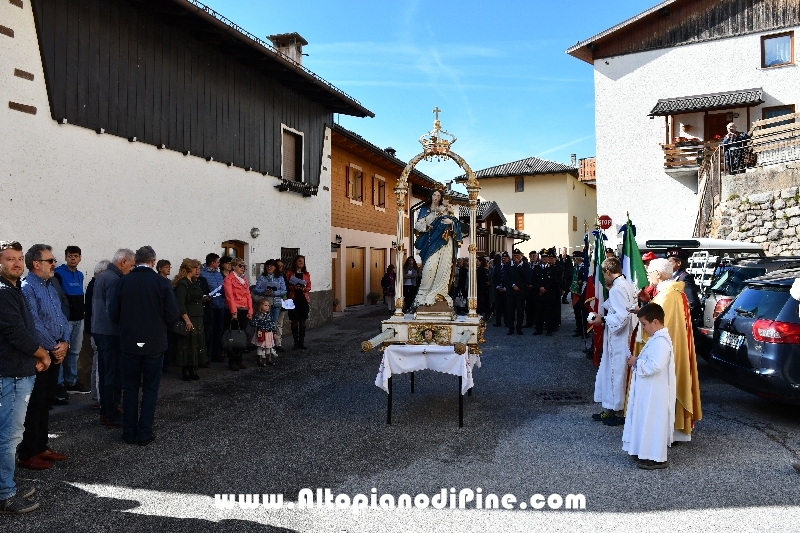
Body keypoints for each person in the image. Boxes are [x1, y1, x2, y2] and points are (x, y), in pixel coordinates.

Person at [108, 246, 179, 446]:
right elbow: (173, 314)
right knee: (150, 388)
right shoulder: (161, 283)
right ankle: (144, 432)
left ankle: (129, 432)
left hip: (130, 342)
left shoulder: (123, 282)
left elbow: (113, 312)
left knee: (129, 388)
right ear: (154, 262)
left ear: (136, 260)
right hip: (154, 342)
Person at [0, 241, 50, 513]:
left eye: (19, 258)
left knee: (10, 435)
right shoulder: (4, 293)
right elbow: (16, 333)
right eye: (9, 259)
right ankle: (4, 493)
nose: (17, 263)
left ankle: (6, 484)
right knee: (8, 436)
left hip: (18, 371)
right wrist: (42, 355)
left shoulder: (14, 288)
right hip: (10, 376)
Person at [17, 244, 70, 471]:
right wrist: (53, 347)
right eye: (51, 260)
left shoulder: (50, 285)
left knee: (47, 401)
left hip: (55, 352)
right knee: (35, 404)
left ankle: (41, 445)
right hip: (41, 355)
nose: (55, 264)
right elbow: (33, 324)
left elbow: (60, 316)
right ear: (36, 264)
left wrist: (65, 342)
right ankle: (28, 452)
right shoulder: (27, 288)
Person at [638, 258, 702, 443]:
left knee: (665, 393)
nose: (648, 276)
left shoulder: (667, 296)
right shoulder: (671, 292)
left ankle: (666, 434)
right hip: (671, 350)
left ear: (658, 274)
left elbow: (656, 326)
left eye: (649, 272)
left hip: (665, 355)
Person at [622, 303, 676, 470]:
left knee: (653, 422)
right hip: (650, 390)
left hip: (656, 392)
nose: (643, 328)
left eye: (644, 324)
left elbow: (655, 365)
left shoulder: (661, 342)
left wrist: (636, 361)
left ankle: (656, 457)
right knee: (646, 420)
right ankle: (644, 452)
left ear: (655, 322)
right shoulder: (656, 339)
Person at [588, 257, 637, 426]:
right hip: (624, 336)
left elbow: (622, 316)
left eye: (604, 274)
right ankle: (608, 407)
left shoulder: (618, 289)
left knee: (616, 372)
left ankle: (615, 410)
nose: (604, 278)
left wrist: (602, 320)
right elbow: (618, 306)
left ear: (608, 272)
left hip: (618, 338)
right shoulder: (626, 285)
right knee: (612, 371)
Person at [93, 248, 135, 428]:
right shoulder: (114, 279)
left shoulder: (105, 275)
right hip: (111, 333)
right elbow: (113, 309)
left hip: (101, 331)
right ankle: (110, 413)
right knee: (113, 373)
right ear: (123, 261)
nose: (132, 269)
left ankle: (107, 409)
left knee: (105, 372)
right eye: (131, 265)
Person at [412, 190, 463, 310]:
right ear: (431, 196)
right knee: (429, 266)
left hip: (446, 243)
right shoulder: (425, 210)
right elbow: (418, 225)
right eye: (434, 195)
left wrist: (452, 223)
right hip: (431, 242)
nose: (436, 197)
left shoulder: (446, 209)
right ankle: (423, 294)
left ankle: (440, 293)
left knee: (444, 267)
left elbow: (456, 224)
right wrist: (427, 224)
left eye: (439, 196)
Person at [53, 245, 87, 393]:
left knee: (74, 352)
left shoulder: (80, 275)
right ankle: (59, 384)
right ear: (66, 257)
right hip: (65, 320)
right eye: (70, 256)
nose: (73, 258)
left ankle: (71, 382)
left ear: (80, 258)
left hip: (79, 319)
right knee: (61, 352)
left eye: (76, 256)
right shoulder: (59, 274)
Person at [173, 259, 208, 381]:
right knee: (187, 343)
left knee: (196, 342)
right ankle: (185, 370)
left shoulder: (193, 282)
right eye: (195, 268)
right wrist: (187, 320)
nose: (198, 270)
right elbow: (180, 304)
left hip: (198, 316)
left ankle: (193, 368)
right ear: (189, 269)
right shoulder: (183, 283)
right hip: (189, 317)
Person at [84, 259, 109, 410]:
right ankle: (98, 399)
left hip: (95, 329)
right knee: (99, 366)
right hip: (97, 331)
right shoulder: (96, 286)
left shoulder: (95, 285)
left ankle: (98, 398)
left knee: (98, 365)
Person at [223, 258, 253, 370]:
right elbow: (229, 296)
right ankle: (232, 361)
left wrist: (250, 311)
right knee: (233, 336)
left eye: (244, 266)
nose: (243, 268)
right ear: (234, 266)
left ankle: (240, 359)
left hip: (244, 309)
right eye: (240, 266)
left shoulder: (244, 279)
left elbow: (248, 296)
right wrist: (233, 312)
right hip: (234, 310)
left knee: (242, 335)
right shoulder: (228, 279)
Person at [252, 259, 286, 354]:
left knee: (272, 325)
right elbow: (255, 289)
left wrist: (274, 292)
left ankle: (271, 347)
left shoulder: (280, 278)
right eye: (267, 266)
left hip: (275, 304)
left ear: (275, 267)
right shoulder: (262, 277)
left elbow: (284, 290)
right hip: (265, 304)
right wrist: (264, 292)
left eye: (271, 266)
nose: (269, 267)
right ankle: (262, 347)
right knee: (263, 325)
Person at [200, 254, 225, 362]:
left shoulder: (219, 274)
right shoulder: (202, 273)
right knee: (208, 332)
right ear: (213, 263)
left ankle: (215, 354)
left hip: (221, 305)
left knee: (218, 331)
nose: (219, 264)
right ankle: (205, 356)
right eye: (218, 262)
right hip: (210, 306)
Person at [665, 248, 701, 321]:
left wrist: (682, 319)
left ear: (679, 263)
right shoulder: (672, 277)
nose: (667, 265)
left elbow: (693, 304)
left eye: (669, 262)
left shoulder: (684, 277)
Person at [285, 255, 311, 350]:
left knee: (303, 320)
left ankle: (302, 342)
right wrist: (293, 288)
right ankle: (295, 342)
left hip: (303, 298)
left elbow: (309, 286)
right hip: (294, 298)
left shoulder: (306, 274)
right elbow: (287, 286)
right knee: (294, 320)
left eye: (303, 261)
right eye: (299, 261)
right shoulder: (290, 273)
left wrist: (304, 288)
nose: (301, 263)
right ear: (295, 262)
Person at [502, 249, 528, 335]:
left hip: (521, 292)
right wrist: (513, 285)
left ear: (521, 256)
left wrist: (518, 266)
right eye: (514, 255)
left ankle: (519, 328)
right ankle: (511, 328)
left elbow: (526, 275)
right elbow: (505, 277)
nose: (516, 257)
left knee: (520, 311)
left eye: (517, 255)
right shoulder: (508, 265)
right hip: (511, 291)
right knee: (510, 311)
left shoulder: (525, 265)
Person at [250, 298, 278, 366]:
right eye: (265, 305)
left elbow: (273, 324)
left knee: (268, 347)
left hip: (269, 333)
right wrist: (252, 321)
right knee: (260, 346)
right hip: (261, 333)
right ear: (260, 306)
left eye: (268, 305)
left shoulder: (269, 314)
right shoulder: (258, 315)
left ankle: (269, 360)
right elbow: (254, 323)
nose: (267, 307)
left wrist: (274, 332)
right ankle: (259, 361)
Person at [570, 251, 588, 338]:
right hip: (576, 292)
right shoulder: (575, 267)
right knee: (577, 312)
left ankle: (586, 330)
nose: (574, 260)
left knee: (584, 313)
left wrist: (582, 281)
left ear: (579, 259)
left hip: (583, 293)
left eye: (575, 258)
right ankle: (579, 329)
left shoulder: (586, 267)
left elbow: (587, 279)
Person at [273, 258, 288, 351]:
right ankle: (270, 343)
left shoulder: (283, 277)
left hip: (282, 301)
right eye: (279, 266)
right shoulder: (270, 277)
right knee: (272, 324)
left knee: (279, 323)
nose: (280, 267)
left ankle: (278, 343)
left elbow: (285, 290)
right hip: (272, 302)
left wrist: (285, 298)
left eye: (282, 266)